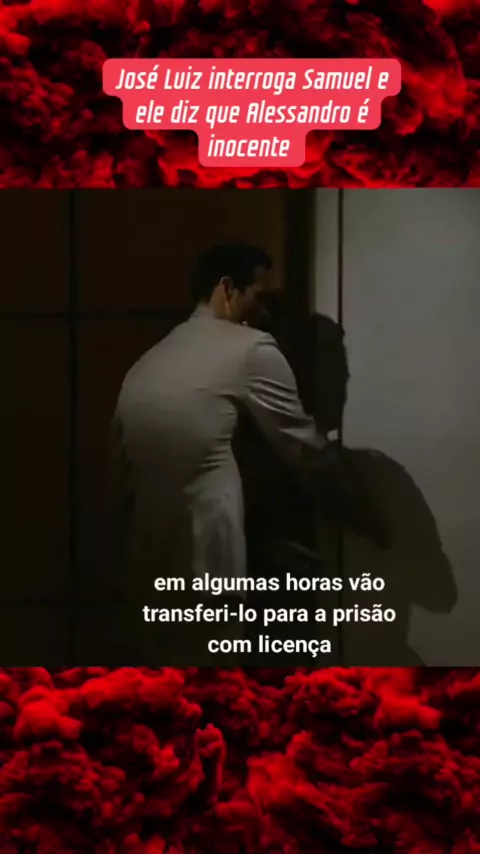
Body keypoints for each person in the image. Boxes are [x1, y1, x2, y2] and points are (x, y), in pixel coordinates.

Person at [111, 243, 388, 663]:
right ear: (227, 288)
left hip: (145, 564)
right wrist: (365, 517)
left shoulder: (146, 363)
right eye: (259, 295)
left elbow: (119, 476)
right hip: (209, 557)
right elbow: (305, 450)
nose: (265, 311)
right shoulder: (250, 349)